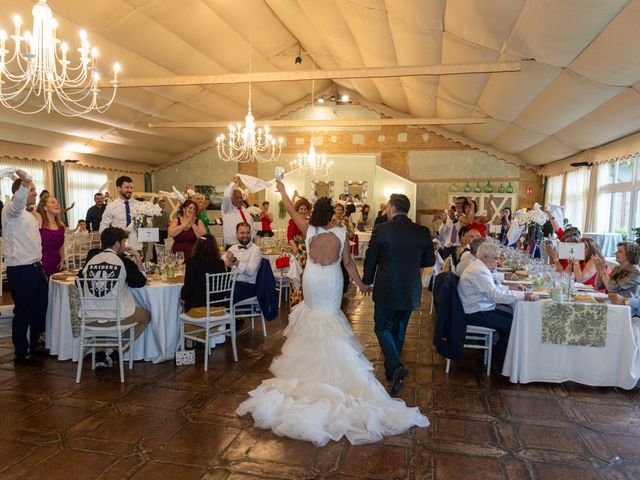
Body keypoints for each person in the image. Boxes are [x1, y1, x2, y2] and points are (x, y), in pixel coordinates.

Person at [237, 182, 428, 446]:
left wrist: (282, 190)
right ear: (332, 216)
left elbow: (292, 211)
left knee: (313, 317)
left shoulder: (309, 229)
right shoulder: (340, 232)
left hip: (313, 281)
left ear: (316, 214)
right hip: (331, 282)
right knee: (330, 319)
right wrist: (361, 284)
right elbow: (348, 263)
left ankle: (308, 367)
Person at [363, 193, 436, 395]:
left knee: (381, 327)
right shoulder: (421, 231)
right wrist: (410, 263)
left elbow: (371, 258)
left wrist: (366, 281)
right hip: (410, 289)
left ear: (393, 208)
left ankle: (395, 366)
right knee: (399, 329)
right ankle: (391, 372)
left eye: (387, 207)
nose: (385, 210)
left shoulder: (382, 230)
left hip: (387, 287)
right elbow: (429, 260)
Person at [79, 227, 150, 368]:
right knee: (146, 316)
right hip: (114, 318)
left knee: (100, 309)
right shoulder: (124, 262)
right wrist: (137, 257)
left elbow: (78, 282)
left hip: (90, 318)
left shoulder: (91, 261)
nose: (124, 245)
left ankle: (100, 354)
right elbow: (141, 282)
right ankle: (118, 353)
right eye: (123, 242)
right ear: (117, 244)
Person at [458, 242, 538, 363]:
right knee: (513, 324)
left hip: (477, 307)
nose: (498, 261)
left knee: (512, 316)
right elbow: (496, 296)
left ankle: (501, 354)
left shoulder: (479, 267)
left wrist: (510, 288)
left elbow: (492, 289)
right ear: (485, 257)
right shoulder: (479, 271)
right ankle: (503, 360)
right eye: (496, 258)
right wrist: (524, 295)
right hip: (474, 313)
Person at [2, 171, 48, 366]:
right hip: (20, 269)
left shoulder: (27, 213)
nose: (35, 193)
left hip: (35, 267)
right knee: (23, 310)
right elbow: (19, 199)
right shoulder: (10, 210)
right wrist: (25, 182)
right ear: (20, 193)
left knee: (40, 307)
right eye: (32, 190)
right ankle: (21, 352)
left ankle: (34, 343)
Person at [181, 234, 229, 317]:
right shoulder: (220, 263)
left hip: (198, 310)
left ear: (197, 247)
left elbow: (187, 289)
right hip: (218, 309)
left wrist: (182, 296)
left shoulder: (192, 263)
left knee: (181, 303)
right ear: (215, 247)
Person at [225, 222, 262, 303]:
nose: (245, 235)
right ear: (236, 234)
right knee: (214, 294)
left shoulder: (256, 250)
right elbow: (222, 261)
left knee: (225, 299)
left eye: (247, 233)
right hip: (231, 283)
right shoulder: (233, 248)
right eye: (242, 233)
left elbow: (250, 272)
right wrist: (226, 263)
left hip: (247, 286)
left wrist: (234, 261)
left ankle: (227, 314)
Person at [35, 195, 66, 279]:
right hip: (43, 264)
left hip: (58, 264)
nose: (57, 204)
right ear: (45, 207)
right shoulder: (40, 223)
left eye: (57, 202)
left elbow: (61, 245)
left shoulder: (61, 225)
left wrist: (62, 259)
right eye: (53, 202)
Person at [222, 177, 255, 246]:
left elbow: (251, 228)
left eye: (240, 198)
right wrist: (233, 182)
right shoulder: (227, 210)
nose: (239, 200)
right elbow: (226, 197)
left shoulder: (245, 211)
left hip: (247, 246)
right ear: (231, 199)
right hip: (232, 246)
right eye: (236, 198)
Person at [287, 197, 311, 268]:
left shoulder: (310, 221)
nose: (303, 211)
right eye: (301, 209)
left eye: (305, 209)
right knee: (298, 271)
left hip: (309, 249)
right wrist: (295, 248)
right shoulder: (293, 221)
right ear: (297, 210)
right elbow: (290, 236)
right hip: (298, 248)